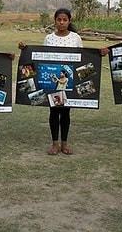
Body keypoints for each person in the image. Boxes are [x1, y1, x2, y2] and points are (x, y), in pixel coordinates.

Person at [19, 8, 83, 155]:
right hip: (51, 84)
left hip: (68, 83)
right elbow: (42, 57)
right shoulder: (49, 38)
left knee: (66, 113)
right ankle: (55, 143)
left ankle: (64, 143)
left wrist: (98, 54)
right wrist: (25, 49)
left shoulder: (75, 38)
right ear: (55, 21)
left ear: (69, 21)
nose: (61, 23)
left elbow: (82, 57)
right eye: (59, 20)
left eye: (64, 20)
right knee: (54, 111)